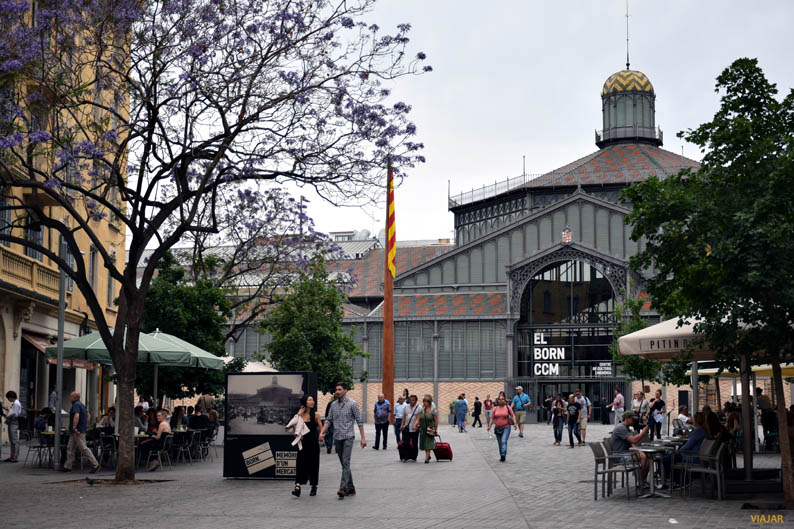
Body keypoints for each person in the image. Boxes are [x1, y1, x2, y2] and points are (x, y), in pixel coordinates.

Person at [318, 382, 366, 499]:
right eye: (336, 389)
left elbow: (359, 421)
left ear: (345, 390)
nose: (337, 391)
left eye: (339, 389)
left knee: (345, 462)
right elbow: (329, 420)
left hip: (348, 437)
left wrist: (363, 438)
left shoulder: (353, 404)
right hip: (337, 438)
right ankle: (351, 487)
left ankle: (343, 488)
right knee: (344, 464)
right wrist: (322, 432)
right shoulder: (333, 405)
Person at [286, 395, 322, 497]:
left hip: (314, 444)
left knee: (314, 465)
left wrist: (322, 434)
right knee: (300, 465)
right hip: (302, 445)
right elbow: (290, 426)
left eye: (313, 400)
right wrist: (298, 414)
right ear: (305, 402)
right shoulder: (299, 415)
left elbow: (322, 428)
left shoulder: (316, 415)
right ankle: (297, 487)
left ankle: (314, 486)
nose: (312, 402)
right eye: (310, 400)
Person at [58, 392, 100, 473]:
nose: (70, 398)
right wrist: (84, 424)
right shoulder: (82, 404)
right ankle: (68, 466)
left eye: (71, 396)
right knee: (70, 448)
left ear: (74, 397)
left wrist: (74, 427)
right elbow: (88, 415)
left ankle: (95, 464)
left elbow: (76, 415)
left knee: (83, 448)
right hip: (80, 429)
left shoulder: (76, 405)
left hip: (76, 431)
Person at [663, 412, 710, 483]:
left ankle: (680, 481)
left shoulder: (697, 432)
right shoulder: (705, 431)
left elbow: (686, 447)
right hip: (698, 457)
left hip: (692, 457)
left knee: (666, 459)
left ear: (695, 421)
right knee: (671, 457)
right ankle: (679, 480)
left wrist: (679, 451)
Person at [611, 411, 651, 486]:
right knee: (643, 457)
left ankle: (643, 480)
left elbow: (631, 443)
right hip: (620, 456)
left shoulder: (626, 428)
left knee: (647, 455)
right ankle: (640, 481)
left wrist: (637, 449)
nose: (634, 421)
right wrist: (643, 433)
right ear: (626, 418)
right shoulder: (621, 428)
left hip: (626, 453)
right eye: (633, 419)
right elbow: (633, 440)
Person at [487, 394, 516, 462]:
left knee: (503, 441)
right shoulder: (495, 408)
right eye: (499, 399)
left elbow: (513, 415)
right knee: (500, 443)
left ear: (505, 400)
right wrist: (489, 426)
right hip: (497, 428)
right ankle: (501, 455)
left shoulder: (508, 407)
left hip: (506, 427)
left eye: (502, 399)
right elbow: (492, 418)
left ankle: (503, 455)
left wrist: (515, 423)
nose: (501, 400)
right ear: (497, 400)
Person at [413, 394, 438, 464]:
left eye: (426, 402)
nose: (424, 403)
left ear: (429, 403)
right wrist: (415, 425)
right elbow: (418, 419)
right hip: (423, 428)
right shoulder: (422, 411)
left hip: (431, 428)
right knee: (424, 443)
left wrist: (435, 429)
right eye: (424, 402)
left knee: (428, 443)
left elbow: (436, 421)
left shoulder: (433, 411)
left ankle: (426, 458)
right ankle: (428, 455)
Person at [3, 391, 23, 462]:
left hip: (13, 423)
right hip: (12, 422)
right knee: (12, 440)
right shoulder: (14, 403)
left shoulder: (16, 404)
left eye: (8, 398)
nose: (8, 400)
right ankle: (12, 456)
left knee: (14, 441)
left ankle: (15, 456)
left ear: (11, 397)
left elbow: (15, 414)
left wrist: (7, 410)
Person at [400, 394, 421, 462]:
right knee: (405, 443)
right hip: (406, 428)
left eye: (413, 400)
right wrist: (402, 425)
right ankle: (406, 456)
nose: (411, 401)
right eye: (410, 400)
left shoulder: (419, 408)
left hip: (415, 429)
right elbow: (404, 417)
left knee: (415, 443)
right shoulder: (406, 407)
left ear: (416, 401)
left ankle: (414, 457)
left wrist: (416, 425)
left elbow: (419, 418)